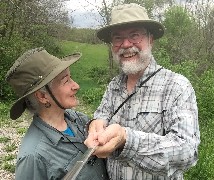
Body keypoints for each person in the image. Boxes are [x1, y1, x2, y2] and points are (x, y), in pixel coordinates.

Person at [84, 3, 200, 180]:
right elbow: (101, 116)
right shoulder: (113, 86)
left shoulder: (177, 86)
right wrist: (95, 124)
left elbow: (186, 152)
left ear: (150, 39)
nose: (126, 44)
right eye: (117, 38)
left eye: (134, 35)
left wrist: (126, 140)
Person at [5, 48, 108, 180]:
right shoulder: (33, 157)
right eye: (66, 81)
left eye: (71, 78)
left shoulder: (79, 119)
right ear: (42, 96)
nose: (76, 85)